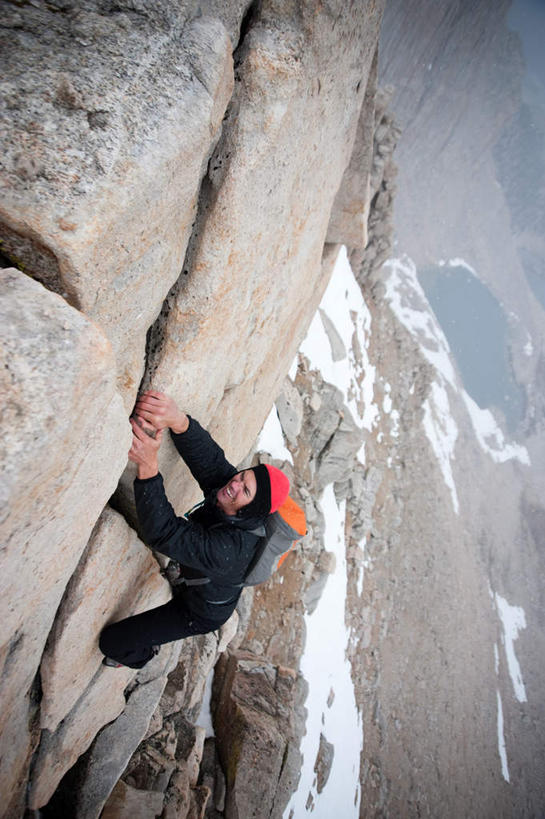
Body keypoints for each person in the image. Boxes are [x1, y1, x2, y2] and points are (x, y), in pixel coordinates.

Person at [99, 390, 290, 669]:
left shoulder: (230, 551)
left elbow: (164, 533)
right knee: (193, 560)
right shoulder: (233, 492)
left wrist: (148, 465)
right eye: (242, 476)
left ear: (251, 509)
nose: (234, 484)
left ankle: (144, 655)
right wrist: (178, 420)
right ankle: (184, 577)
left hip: (200, 612)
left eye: (245, 489)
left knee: (113, 643)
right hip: (205, 573)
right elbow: (210, 461)